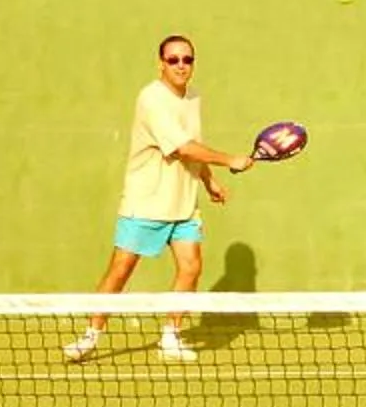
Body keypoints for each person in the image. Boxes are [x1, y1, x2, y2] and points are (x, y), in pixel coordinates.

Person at [65, 34, 253, 364]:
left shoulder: (193, 97)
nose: (181, 66)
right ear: (161, 64)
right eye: (174, 60)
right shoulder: (151, 99)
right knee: (120, 271)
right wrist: (230, 159)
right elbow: (180, 147)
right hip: (147, 201)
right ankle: (90, 336)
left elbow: (193, 144)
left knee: (191, 267)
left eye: (187, 59)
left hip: (183, 203)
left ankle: (171, 335)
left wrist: (209, 180)